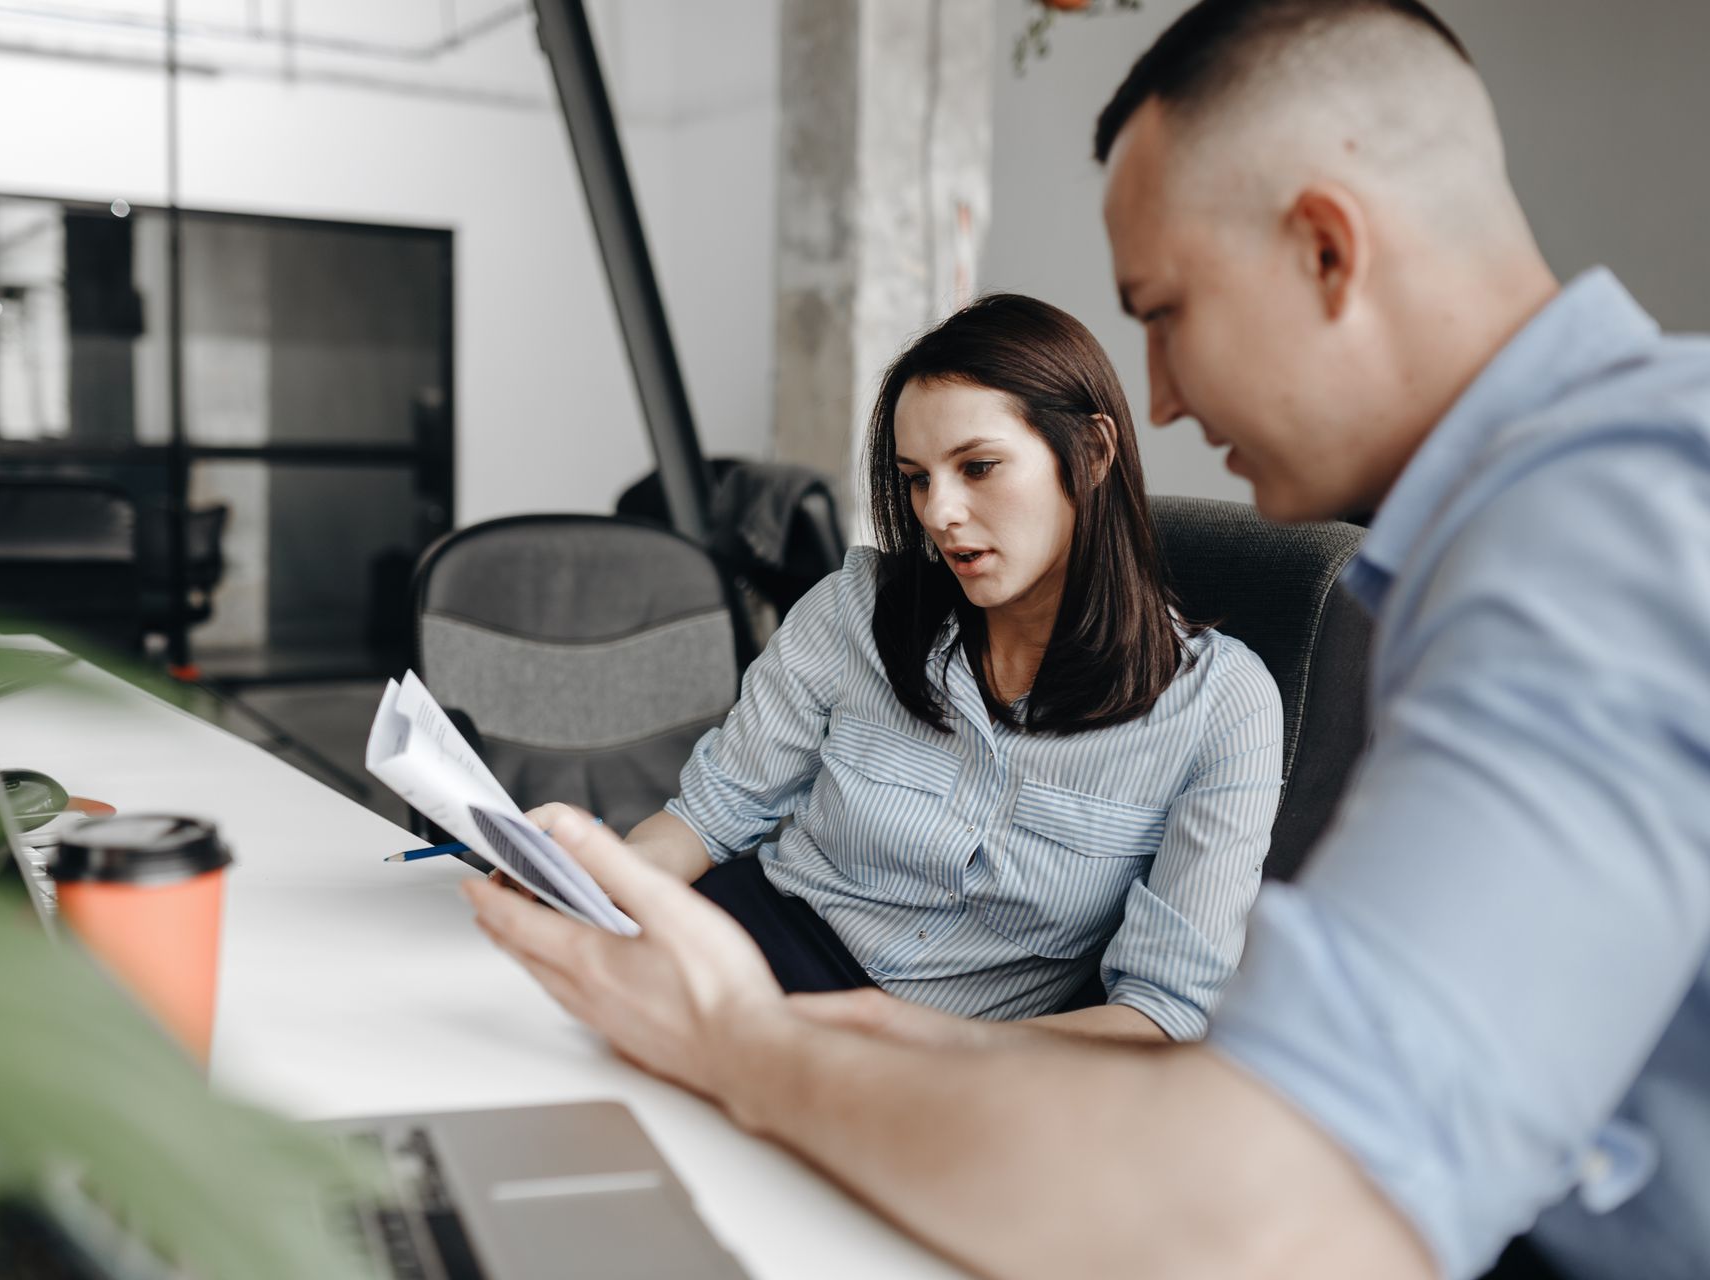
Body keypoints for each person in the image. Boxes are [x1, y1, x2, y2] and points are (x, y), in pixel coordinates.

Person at [464, 2, 1710, 1277]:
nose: (1161, 392)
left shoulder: (1606, 529)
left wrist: (747, 1043)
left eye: (1163, 312)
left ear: (1328, 251)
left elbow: (1262, 1201)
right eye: (917, 478)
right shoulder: (1550, 521)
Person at [537, 293, 1281, 1036]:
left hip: (948, 1054)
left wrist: (915, 1057)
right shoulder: (854, 608)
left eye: (978, 466)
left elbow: (1163, 1014)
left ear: (1090, 452)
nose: (938, 512)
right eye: (917, 477)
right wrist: (584, 877)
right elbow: (707, 818)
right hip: (736, 954)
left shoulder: (1222, 706)